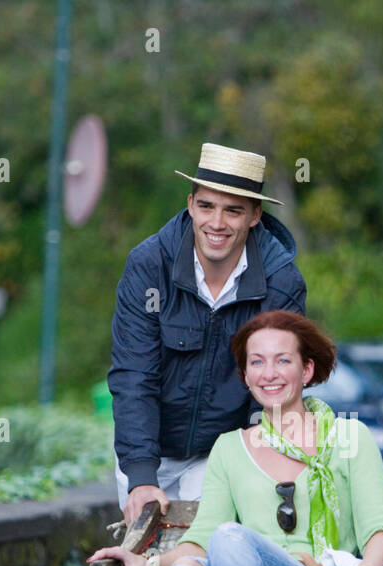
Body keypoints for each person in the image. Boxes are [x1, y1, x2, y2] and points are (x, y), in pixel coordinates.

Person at [90, 310, 383, 566]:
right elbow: (203, 539)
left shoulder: (350, 438)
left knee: (230, 537)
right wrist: (148, 563)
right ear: (244, 376)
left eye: (282, 360)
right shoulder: (229, 448)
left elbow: (381, 527)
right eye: (256, 362)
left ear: (306, 371)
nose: (268, 373)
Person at [108, 142, 307, 526]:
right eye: (206, 206)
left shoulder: (282, 282)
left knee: (210, 553)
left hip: (226, 449)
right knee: (147, 563)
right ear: (190, 204)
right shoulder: (149, 267)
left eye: (233, 210)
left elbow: (277, 385)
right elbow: (134, 376)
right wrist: (142, 476)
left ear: (255, 216)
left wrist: (257, 464)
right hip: (151, 451)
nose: (217, 223)